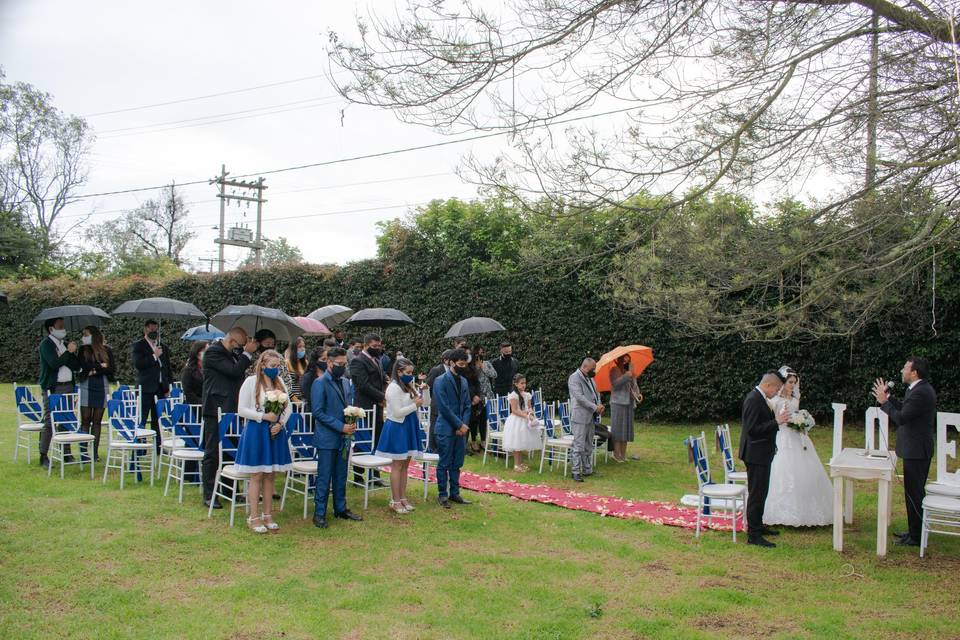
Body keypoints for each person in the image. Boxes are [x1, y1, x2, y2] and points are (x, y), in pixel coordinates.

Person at [872, 357, 938, 547]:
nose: (902, 370)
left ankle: (916, 537)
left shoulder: (922, 392)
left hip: (917, 451)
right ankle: (913, 531)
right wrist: (889, 399)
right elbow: (906, 409)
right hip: (914, 450)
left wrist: (884, 403)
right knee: (911, 493)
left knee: (915, 494)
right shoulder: (917, 389)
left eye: (905, 368)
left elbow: (901, 418)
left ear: (914, 372)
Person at [763, 366, 833, 527]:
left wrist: (802, 421)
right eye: (790, 382)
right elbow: (774, 418)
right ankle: (778, 512)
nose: (793, 385)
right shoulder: (775, 400)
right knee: (782, 470)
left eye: (794, 382)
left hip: (798, 438)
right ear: (783, 383)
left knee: (805, 471)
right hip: (783, 437)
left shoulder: (795, 398)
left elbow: (796, 412)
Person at [235, 349, 293, 534]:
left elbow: (288, 407)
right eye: (272, 366)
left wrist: (280, 423)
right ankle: (253, 516)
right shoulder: (251, 382)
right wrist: (263, 416)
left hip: (275, 431)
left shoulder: (280, 382)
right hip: (256, 431)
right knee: (257, 474)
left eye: (278, 366)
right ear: (262, 365)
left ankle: (268, 514)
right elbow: (242, 409)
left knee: (270, 475)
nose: (275, 370)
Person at [201, 327, 258, 509]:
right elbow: (233, 371)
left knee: (232, 450)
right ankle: (209, 494)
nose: (240, 349)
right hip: (216, 408)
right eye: (239, 346)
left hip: (233, 408)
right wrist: (247, 354)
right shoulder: (213, 353)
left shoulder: (233, 354)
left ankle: (230, 491)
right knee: (213, 452)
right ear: (231, 341)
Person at [311, 347, 363, 529]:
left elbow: (348, 405)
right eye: (340, 364)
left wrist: (352, 419)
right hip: (327, 437)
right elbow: (317, 412)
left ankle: (340, 508)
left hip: (345, 437)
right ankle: (319, 513)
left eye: (345, 364)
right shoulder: (320, 382)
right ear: (329, 363)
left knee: (341, 475)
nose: (343, 367)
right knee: (325, 477)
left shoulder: (346, 382)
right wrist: (340, 426)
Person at [739, 371, 791, 548]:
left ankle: (758, 525)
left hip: (762, 452)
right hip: (755, 454)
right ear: (768, 385)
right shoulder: (753, 400)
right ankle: (753, 534)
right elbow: (752, 429)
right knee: (757, 494)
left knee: (762, 491)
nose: (777, 392)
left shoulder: (760, 398)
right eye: (776, 389)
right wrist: (776, 422)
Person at [375, 357, 424, 513]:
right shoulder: (393, 388)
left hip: (409, 425)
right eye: (408, 372)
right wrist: (414, 405)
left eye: (412, 372)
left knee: (405, 466)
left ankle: (403, 498)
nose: (411, 375)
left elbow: (421, 403)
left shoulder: (407, 385)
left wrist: (423, 394)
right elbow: (396, 412)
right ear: (399, 371)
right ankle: (395, 500)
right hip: (398, 426)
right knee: (397, 465)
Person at [38, 318, 82, 468]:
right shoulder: (46, 345)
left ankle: (66, 452)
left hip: (68, 386)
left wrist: (71, 353)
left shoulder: (63, 343)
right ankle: (43, 455)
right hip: (53, 387)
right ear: (51, 329)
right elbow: (54, 363)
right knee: (50, 420)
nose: (63, 329)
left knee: (66, 419)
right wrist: (67, 353)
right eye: (60, 327)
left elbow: (75, 365)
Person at [433, 349, 472, 508]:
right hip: (445, 429)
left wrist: (463, 425)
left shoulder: (463, 381)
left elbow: (467, 405)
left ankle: (455, 493)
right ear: (451, 362)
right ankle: (442, 495)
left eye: (465, 364)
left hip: (460, 430)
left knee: (457, 462)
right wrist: (459, 424)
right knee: (444, 463)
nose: (463, 366)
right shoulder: (439, 380)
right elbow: (443, 407)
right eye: (460, 364)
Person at [349, 333, 388, 485]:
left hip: (377, 407)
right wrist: (382, 397)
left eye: (379, 346)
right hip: (364, 406)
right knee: (363, 440)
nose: (377, 349)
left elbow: (380, 377)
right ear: (366, 346)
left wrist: (387, 383)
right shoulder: (358, 361)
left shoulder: (377, 360)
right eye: (374, 346)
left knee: (376, 440)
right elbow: (363, 384)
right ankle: (358, 476)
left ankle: (375, 475)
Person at [132, 319, 172, 453]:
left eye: (156, 329)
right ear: (145, 330)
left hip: (160, 388)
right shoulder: (139, 345)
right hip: (145, 387)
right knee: (142, 417)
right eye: (151, 329)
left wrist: (168, 387)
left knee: (158, 419)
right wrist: (154, 355)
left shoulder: (162, 346)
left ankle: (158, 447)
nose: (154, 331)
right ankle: (140, 447)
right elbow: (139, 364)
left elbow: (167, 368)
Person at [77, 325, 115, 462]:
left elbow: (111, 369)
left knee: (97, 421)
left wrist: (93, 371)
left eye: (86, 334)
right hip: (86, 386)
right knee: (85, 419)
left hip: (101, 387)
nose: (83, 337)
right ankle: (83, 452)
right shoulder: (82, 350)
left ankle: (94, 452)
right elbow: (84, 366)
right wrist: (100, 366)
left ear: (93, 336)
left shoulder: (107, 350)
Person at [567, 358, 604, 482]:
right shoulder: (574, 378)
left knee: (588, 444)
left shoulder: (590, 378)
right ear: (585, 367)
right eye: (593, 369)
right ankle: (575, 471)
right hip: (580, 416)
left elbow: (596, 393)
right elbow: (579, 398)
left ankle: (587, 469)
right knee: (578, 445)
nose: (595, 371)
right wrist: (595, 407)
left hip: (591, 416)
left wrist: (599, 404)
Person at [502, 374, 542, 471]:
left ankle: (520, 463)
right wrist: (526, 416)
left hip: (525, 420)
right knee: (517, 442)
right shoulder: (513, 395)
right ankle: (516, 465)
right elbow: (515, 410)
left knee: (522, 442)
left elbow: (529, 407)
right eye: (521, 383)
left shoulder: (527, 395)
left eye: (525, 383)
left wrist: (531, 413)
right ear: (516, 384)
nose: (524, 385)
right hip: (516, 421)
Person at [609, 354, 640, 462]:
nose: (626, 363)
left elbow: (634, 386)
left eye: (628, 361)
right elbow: (615, 384)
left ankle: (623, 454)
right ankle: (616, 454)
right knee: (618, 429)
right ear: (619, 360)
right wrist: (626, 376)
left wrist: (637, 393)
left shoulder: (631, 372)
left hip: (629, 403)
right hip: (617, 403)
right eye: (624, 361)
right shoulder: (614, 370)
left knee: (626, 429)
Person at [461, 350, 485, 455]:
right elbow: (463, 385)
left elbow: (477, 383)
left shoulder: (472, 368)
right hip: (465, 399)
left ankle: (467, 445)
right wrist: (472, 397)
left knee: (473, 422)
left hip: (475, 399)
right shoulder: (459, 369)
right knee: (464, 422)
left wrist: (477, 396)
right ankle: (463, 447)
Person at [299, 347, 327, 412]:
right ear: (316, 360)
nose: (326, 361)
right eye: (323, 359)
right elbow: (309, 397)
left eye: (327, 359)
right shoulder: (308, 377)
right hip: (313, 413)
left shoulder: (329, 375)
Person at [179, 341, 207, 405]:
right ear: (198, 354)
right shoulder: (188, 371)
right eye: (206, 351)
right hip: (194, 408)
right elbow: (188, 392)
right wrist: (202, 402)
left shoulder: (209, 370)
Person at [284, 336, 308, 402]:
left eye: (304, 346)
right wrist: (295, 399)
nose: (303, 349)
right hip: (292, 401)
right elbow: (285, 384)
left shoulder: (306, 362)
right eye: (300, 347)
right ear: (294, 349)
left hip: (304, 401)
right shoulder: (287, 363)